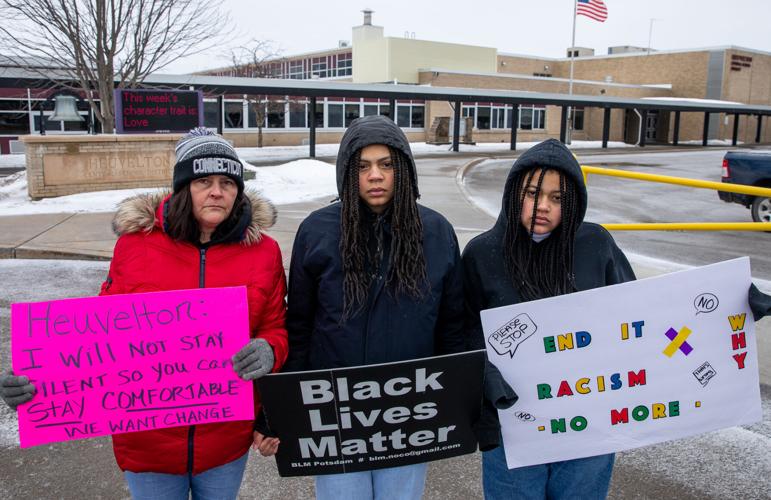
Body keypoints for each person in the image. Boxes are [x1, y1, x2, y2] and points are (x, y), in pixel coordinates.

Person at [463, 138, 771, 500]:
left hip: (589, 425)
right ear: (514, 192)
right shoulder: (483, 253)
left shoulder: (594, 244)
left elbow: (647, 315)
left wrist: (729, 306)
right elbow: (463, 329)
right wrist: (485, 377)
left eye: (558, 198)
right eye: (532, 193)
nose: (542, 206)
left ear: (574, 201)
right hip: (513, 427)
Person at [0, 128, 288, 499]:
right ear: (184, 186)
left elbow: (276, 326)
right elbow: (93, 339)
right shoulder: (136, 246)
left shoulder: (263, 252)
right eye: (204, 181)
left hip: (225, 439)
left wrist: (269, 348)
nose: (217, 191)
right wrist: (38, 381)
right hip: (147, 442)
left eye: (227, 182)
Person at [282, 114, 466, 500]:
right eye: (363, 166)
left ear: (403, 169)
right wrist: (285, 408)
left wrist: (456, 401)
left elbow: (451, 325)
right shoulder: (317, 231)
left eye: (386, 165)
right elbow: (299, 325)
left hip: (409, 414)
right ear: (348, 173)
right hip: (337, 414)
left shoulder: (436, 232)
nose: (376, 176)